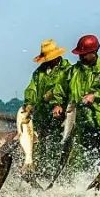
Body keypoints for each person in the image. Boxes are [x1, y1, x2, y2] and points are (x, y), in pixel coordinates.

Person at [66, 34, 100, 156]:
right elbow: (62, 91)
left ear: (94, 52)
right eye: (80, 54)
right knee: (77, 154)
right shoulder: (73, 70)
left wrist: (95, 96)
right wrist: (57, 104)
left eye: (84, 53)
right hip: (80, 120)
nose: (81, 56)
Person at [22, 38, 71, 169]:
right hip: (41, 115)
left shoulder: (68, 70)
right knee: (39, 144)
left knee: (57, 144)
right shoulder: (39, 72)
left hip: (59, 115)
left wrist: (59, 103)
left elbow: (69, 90)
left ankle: (56, 171)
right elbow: (32, 88)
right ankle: (38, 170)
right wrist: (29, 103)